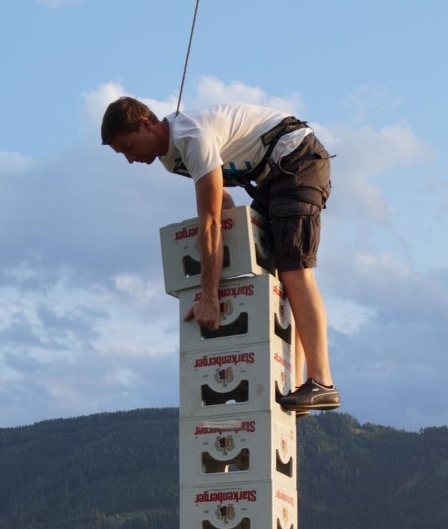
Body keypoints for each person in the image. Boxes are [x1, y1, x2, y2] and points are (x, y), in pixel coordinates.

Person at [101, 96, 336, 414]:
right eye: (122, 155)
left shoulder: (192, 138)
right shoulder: (171, 159)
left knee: (295, 270)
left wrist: (210, 297)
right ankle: (295, 384)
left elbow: (210, 223)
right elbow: (221, 202)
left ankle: (321, 382)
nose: (130, 160)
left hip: (294, 157)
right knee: (278, 280)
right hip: (270, 175)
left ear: (146, 124)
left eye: (129, 147)